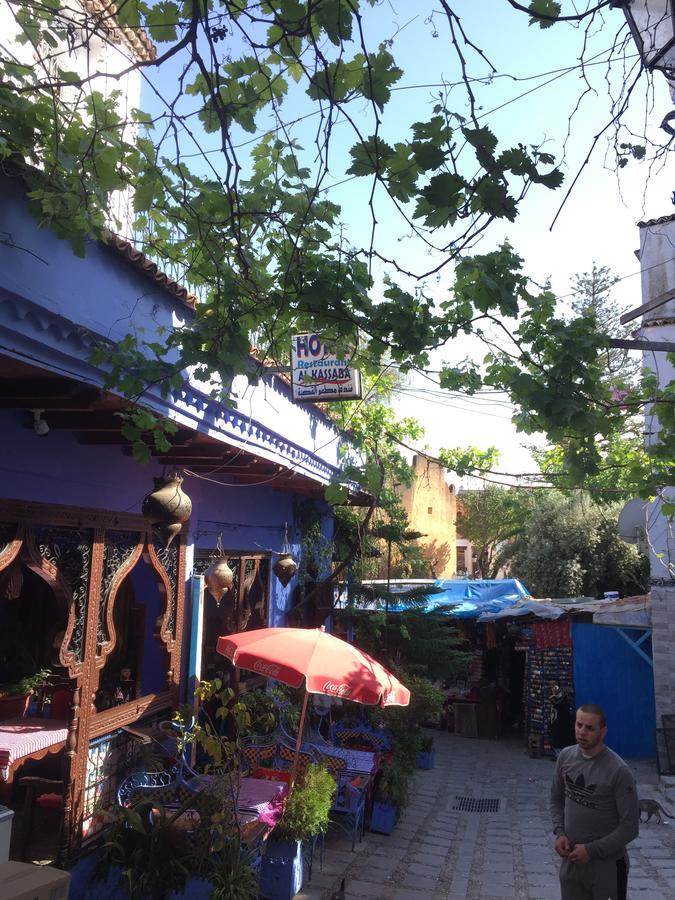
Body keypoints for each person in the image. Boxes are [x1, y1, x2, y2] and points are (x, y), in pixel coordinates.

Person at [550, 704, 639, 900]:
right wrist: (560, 833)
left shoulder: (618, 771)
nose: (582, 732)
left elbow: (630, 826)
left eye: (589, 728)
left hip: (607, 867)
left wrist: (591, 850)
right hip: (572, 862)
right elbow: (556, 798)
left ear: (603, 731)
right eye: (579, 725)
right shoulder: (565, 757)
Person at [550, 683, 575, 758]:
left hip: (561, 722)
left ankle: (558, 755)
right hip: (563, 722)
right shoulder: (564, 700)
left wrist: (552, 698)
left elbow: (556, 704)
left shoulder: (562, 700)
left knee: (558, 738)